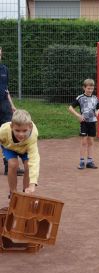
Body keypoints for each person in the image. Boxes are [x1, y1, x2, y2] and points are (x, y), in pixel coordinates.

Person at [0, 109, 40, 196]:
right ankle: (13, 193)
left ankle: (26, 193)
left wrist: (32, 184)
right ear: (11, 126)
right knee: (13, 164)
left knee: (28, 165)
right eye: (17, 130)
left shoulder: (33, 136)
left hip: (25, 148)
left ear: (30, 126)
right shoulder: (3, 130)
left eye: (24, 131)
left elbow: (34, 160)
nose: (21, 134)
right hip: (9, 147)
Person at [0, 46, 24, 176]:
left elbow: (6, 90)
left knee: (8, 135)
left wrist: (12, 105)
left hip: (4, 106)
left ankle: (9, 166)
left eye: (0, 52)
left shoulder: (4, 69)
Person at [69, 78, 99, 169]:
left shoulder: (95, 98)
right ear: (84, 88)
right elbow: (70, 108)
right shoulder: (80, 98)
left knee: (91, 141)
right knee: (83, 142)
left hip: (92, 122)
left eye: (92, 88)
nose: (90, 90)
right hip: (84, 123)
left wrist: (98, 112)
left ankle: (90, 161)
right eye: (88, 88)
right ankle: (82, 161)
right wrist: (78, 115)